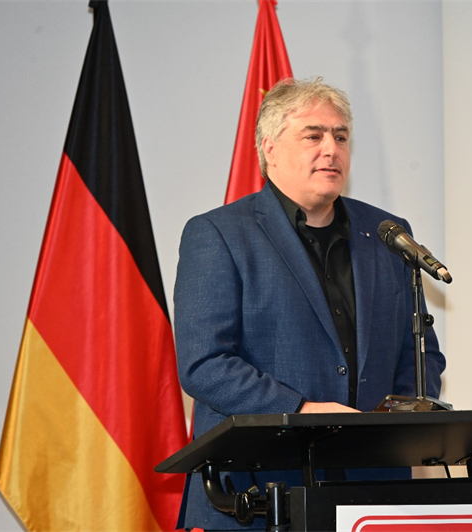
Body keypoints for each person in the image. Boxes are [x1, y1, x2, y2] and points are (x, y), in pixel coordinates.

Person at [173, 77, 446, 530]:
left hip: (373, 488)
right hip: (257, 492)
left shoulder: (387, 234)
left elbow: (421, 354)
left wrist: (395, 419)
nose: (331, 149)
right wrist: (302, 412)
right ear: (270, 149)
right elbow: (205, 363)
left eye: (341, 136)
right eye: (313, 136)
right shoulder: (219, 234)